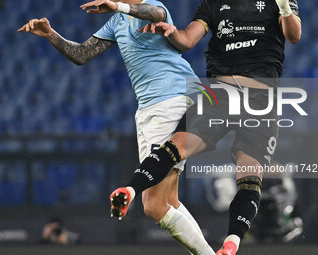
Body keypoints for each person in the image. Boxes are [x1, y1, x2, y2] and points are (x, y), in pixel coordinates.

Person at [18, 1, 215, 254]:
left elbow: (156, 14)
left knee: (153, 206)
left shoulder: (151, 7)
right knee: (169, 200)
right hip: (155, 105)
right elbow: (81, 54)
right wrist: (50, 34)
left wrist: (118, 6)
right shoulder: (116, 22)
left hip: (168, 100)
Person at [111, 0, 301, 254]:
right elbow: (188, 39)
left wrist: (285, 7)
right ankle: (130, 191)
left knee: (247, 175)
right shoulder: (213, 3)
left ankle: (231, 241)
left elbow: (293, 35)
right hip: (221, 92)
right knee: (178, 146)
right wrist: (172, 32)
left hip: (260, 100)